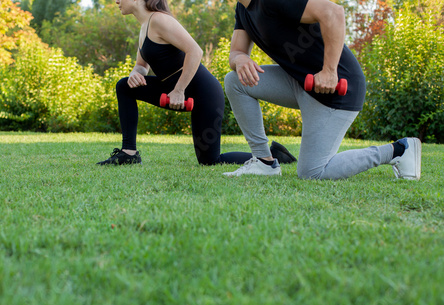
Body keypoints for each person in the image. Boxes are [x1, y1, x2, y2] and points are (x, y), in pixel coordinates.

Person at [222, 0, 421, 180]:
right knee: (235, 81)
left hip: (337, 88)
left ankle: (399, 150)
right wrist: (240, 59)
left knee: (312, 173)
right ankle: (264, 162)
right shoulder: (243, 9)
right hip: (300, 82)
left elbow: (333, 12)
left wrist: (329, 71)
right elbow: (236, 52)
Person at [97, 0, 296, 166]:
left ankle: (274, 155)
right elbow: (141, 66)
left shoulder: (159, 20)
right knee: (125, 86)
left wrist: (179, 90)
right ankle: (128, 154)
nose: (116, 1)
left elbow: (195, 51)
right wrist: (135, 73)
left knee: (209, 161)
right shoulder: (144, 27)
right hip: (173, 88)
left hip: (203, 93)